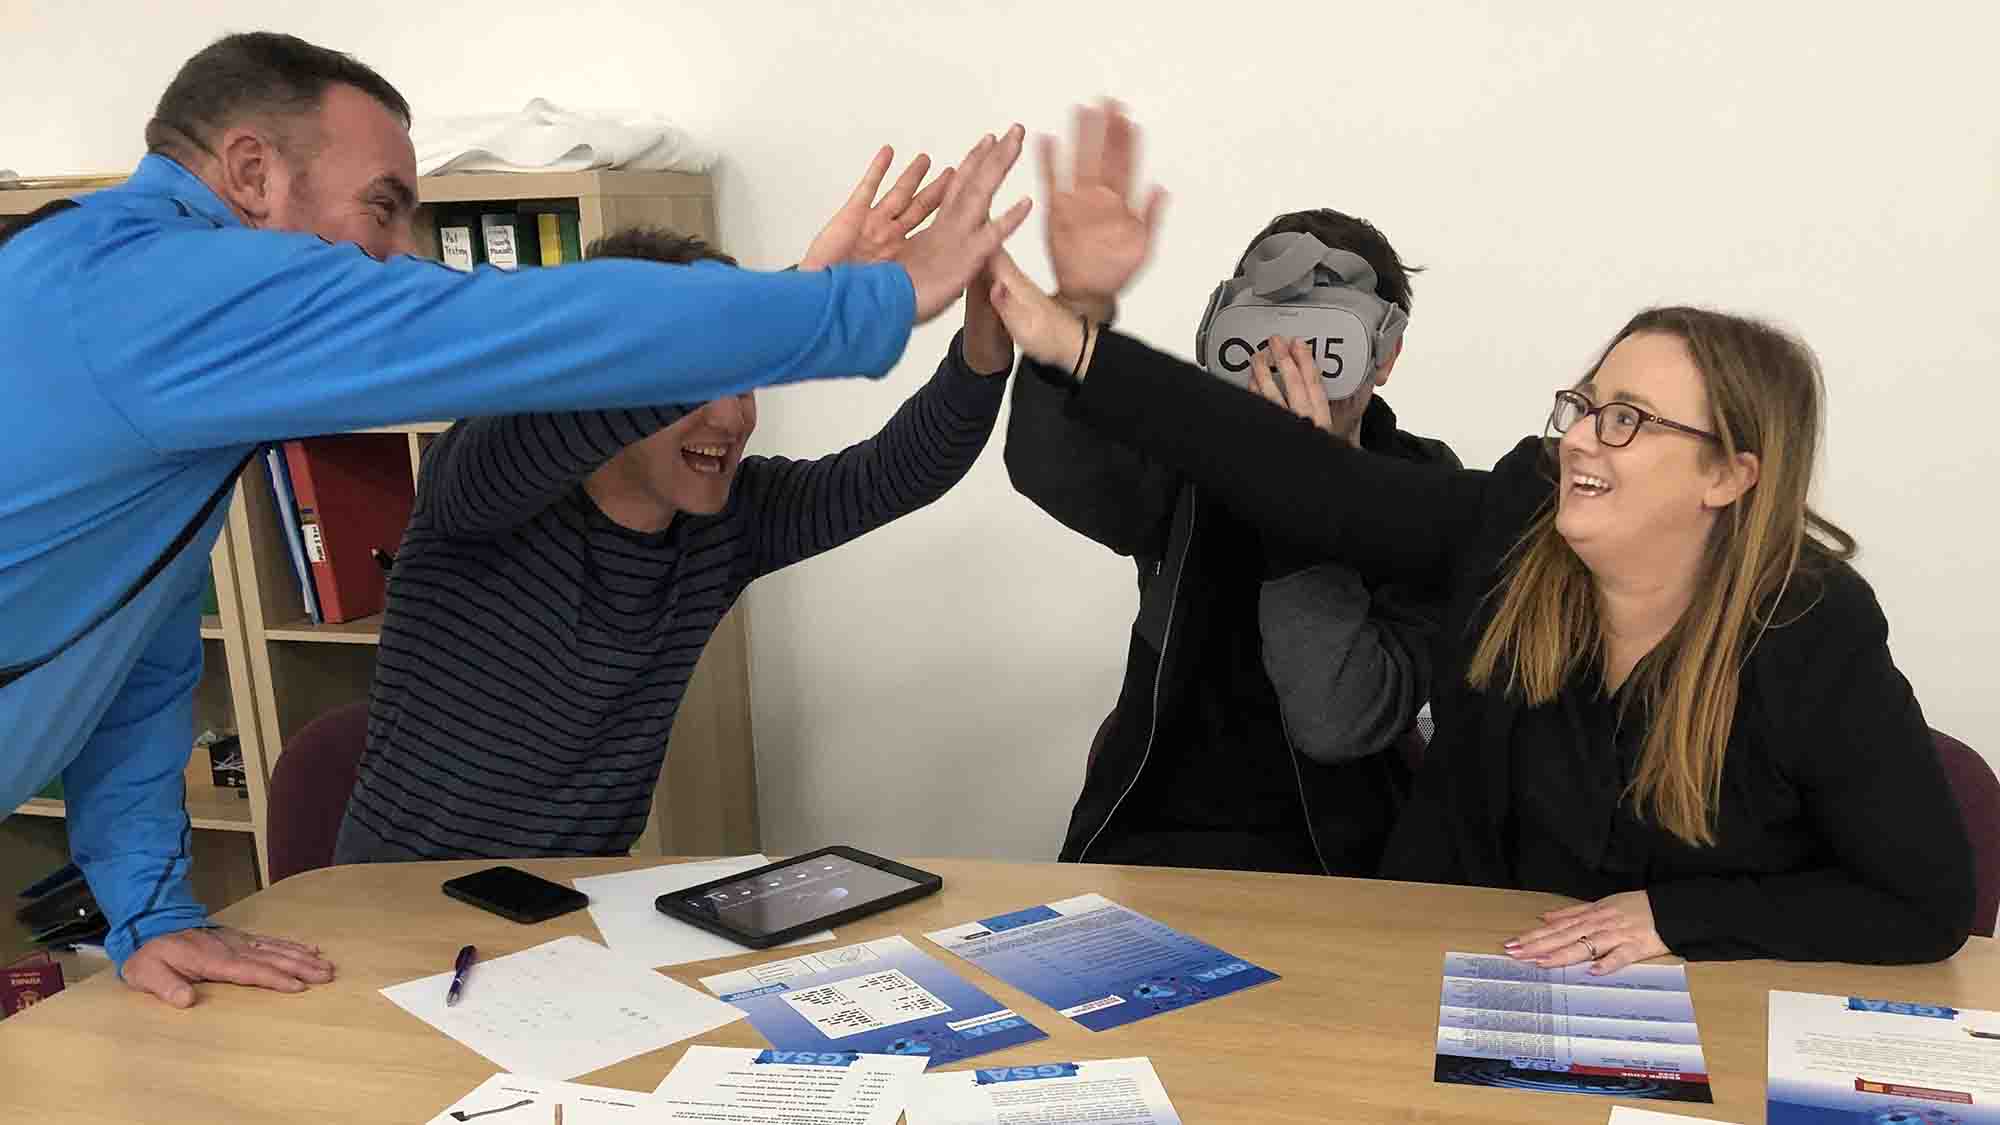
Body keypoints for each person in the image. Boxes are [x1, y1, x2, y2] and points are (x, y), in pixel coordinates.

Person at [0, 30, 1029, 1008]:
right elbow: (504, 332)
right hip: (402, 902)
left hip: (565, 916)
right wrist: (829, 299)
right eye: (382, 207)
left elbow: (141, 673)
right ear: (252, 172)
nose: (400, 256)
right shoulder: (145, 292)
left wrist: (148, 911)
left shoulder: (171, 402)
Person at [980, 103, 1976, 967]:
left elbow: (1920, 903)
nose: (1582, 438)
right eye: (1584, 405)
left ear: (1727, 473)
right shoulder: (1511, 523)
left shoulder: (1807, 627)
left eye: (1628, 419)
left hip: (1617, 979)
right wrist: (1074, 332)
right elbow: (1302, 487)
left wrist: (1685, 916)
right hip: (1413, 947)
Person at [332, 223, 1015, 862]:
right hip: (402, 898)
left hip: (570, 913)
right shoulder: (480, 487)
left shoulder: (728, 523)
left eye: (746, 382)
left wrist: (983, 353)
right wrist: (795, 305)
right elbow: (605, 386)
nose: (731, 415)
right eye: (700, 384)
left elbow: (895, 473)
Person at [1007, 130, 1458, 876]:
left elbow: (1337, 716)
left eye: (1325, 342)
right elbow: (1053, 468)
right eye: (1264, 336)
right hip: (1153, 837)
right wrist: (1080, 305)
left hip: (1347, 864)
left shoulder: (1430, 491)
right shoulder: (1192, 455)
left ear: (1383, 356)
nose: (1288, 364)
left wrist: (1301, 484)